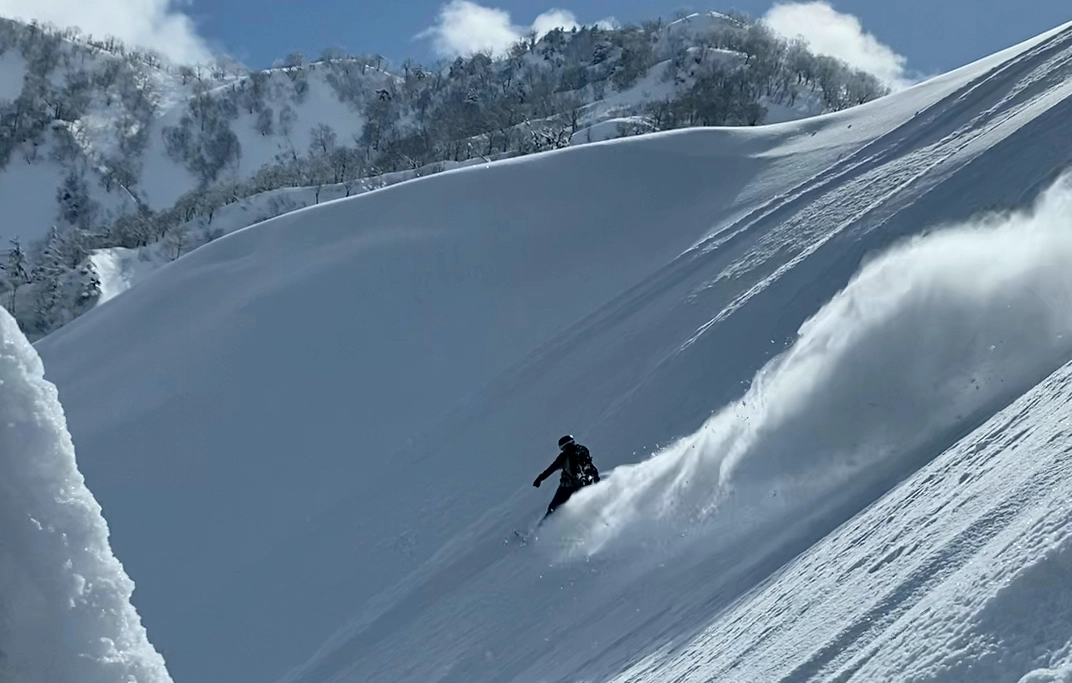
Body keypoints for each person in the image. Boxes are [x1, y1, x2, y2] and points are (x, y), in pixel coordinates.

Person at [533, 435, 600, 518]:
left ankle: (541, 528)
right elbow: (591, 467)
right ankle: (599, 522)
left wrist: (540, 478)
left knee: (554, 507)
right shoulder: (582, 451)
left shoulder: (564, 456)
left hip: (567, 487)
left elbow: (552, 468)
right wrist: (597, 480)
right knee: (584, 506)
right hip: (584, 485)